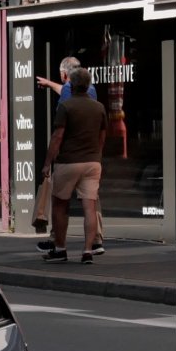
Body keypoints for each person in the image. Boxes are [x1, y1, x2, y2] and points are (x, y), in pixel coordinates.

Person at [40, 67, 106, 265]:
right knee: (90, 207)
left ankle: (60, 249)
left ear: (71, 84)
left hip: (68, 161)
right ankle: (87, 251)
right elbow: (102, 136)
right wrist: (97, 155)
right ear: (88, 85)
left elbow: (57, 136)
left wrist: (47, 163)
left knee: (60, 205)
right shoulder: (99, 107)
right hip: (93, 162)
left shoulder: (66, 106)